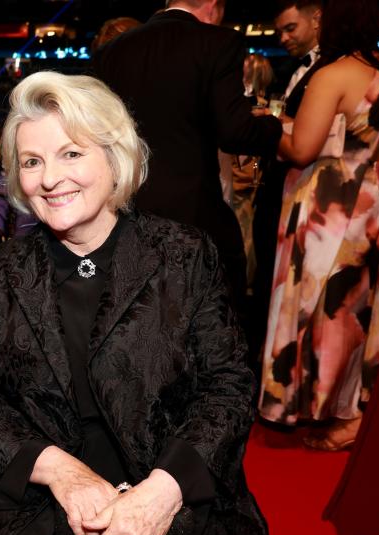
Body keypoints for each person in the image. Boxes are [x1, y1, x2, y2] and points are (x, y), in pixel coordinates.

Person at [0, 71, 269, 535]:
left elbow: (229, 387)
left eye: (71, 153)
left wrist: (160, 494)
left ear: (114, 157)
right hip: (38, 506)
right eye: (31, 162)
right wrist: (61, 473)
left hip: (170, 498)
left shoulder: (184, 255)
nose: (50, 179)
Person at [259, 0, 379, 451]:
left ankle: (324, 409)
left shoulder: (333, 74)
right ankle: (354, 409)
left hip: (329, 208)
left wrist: (262, 127)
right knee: (358, 312)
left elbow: (301, 148)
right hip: (372, 204)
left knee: (320, 309)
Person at [93, 0, 283, 310]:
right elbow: (235, 132)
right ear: (215, 5)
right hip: (194, 218)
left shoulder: (111, 53)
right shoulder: (219, 42)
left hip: (126, 216)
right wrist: (275, 127)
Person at [249, 0, 323, 363]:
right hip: (279, 189)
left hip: (305, 195)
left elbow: (307, 142)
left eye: (290, 28)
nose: (283, 37)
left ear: (317, 19)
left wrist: (271, 123)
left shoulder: (329, 71)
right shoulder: (296, 69)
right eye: (279, 30)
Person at [229, 53, 276, 286]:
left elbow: (254, 158)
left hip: (249, 178)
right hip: (243, 177)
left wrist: (253, 175)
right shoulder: (246, 104)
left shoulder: (260, 107)